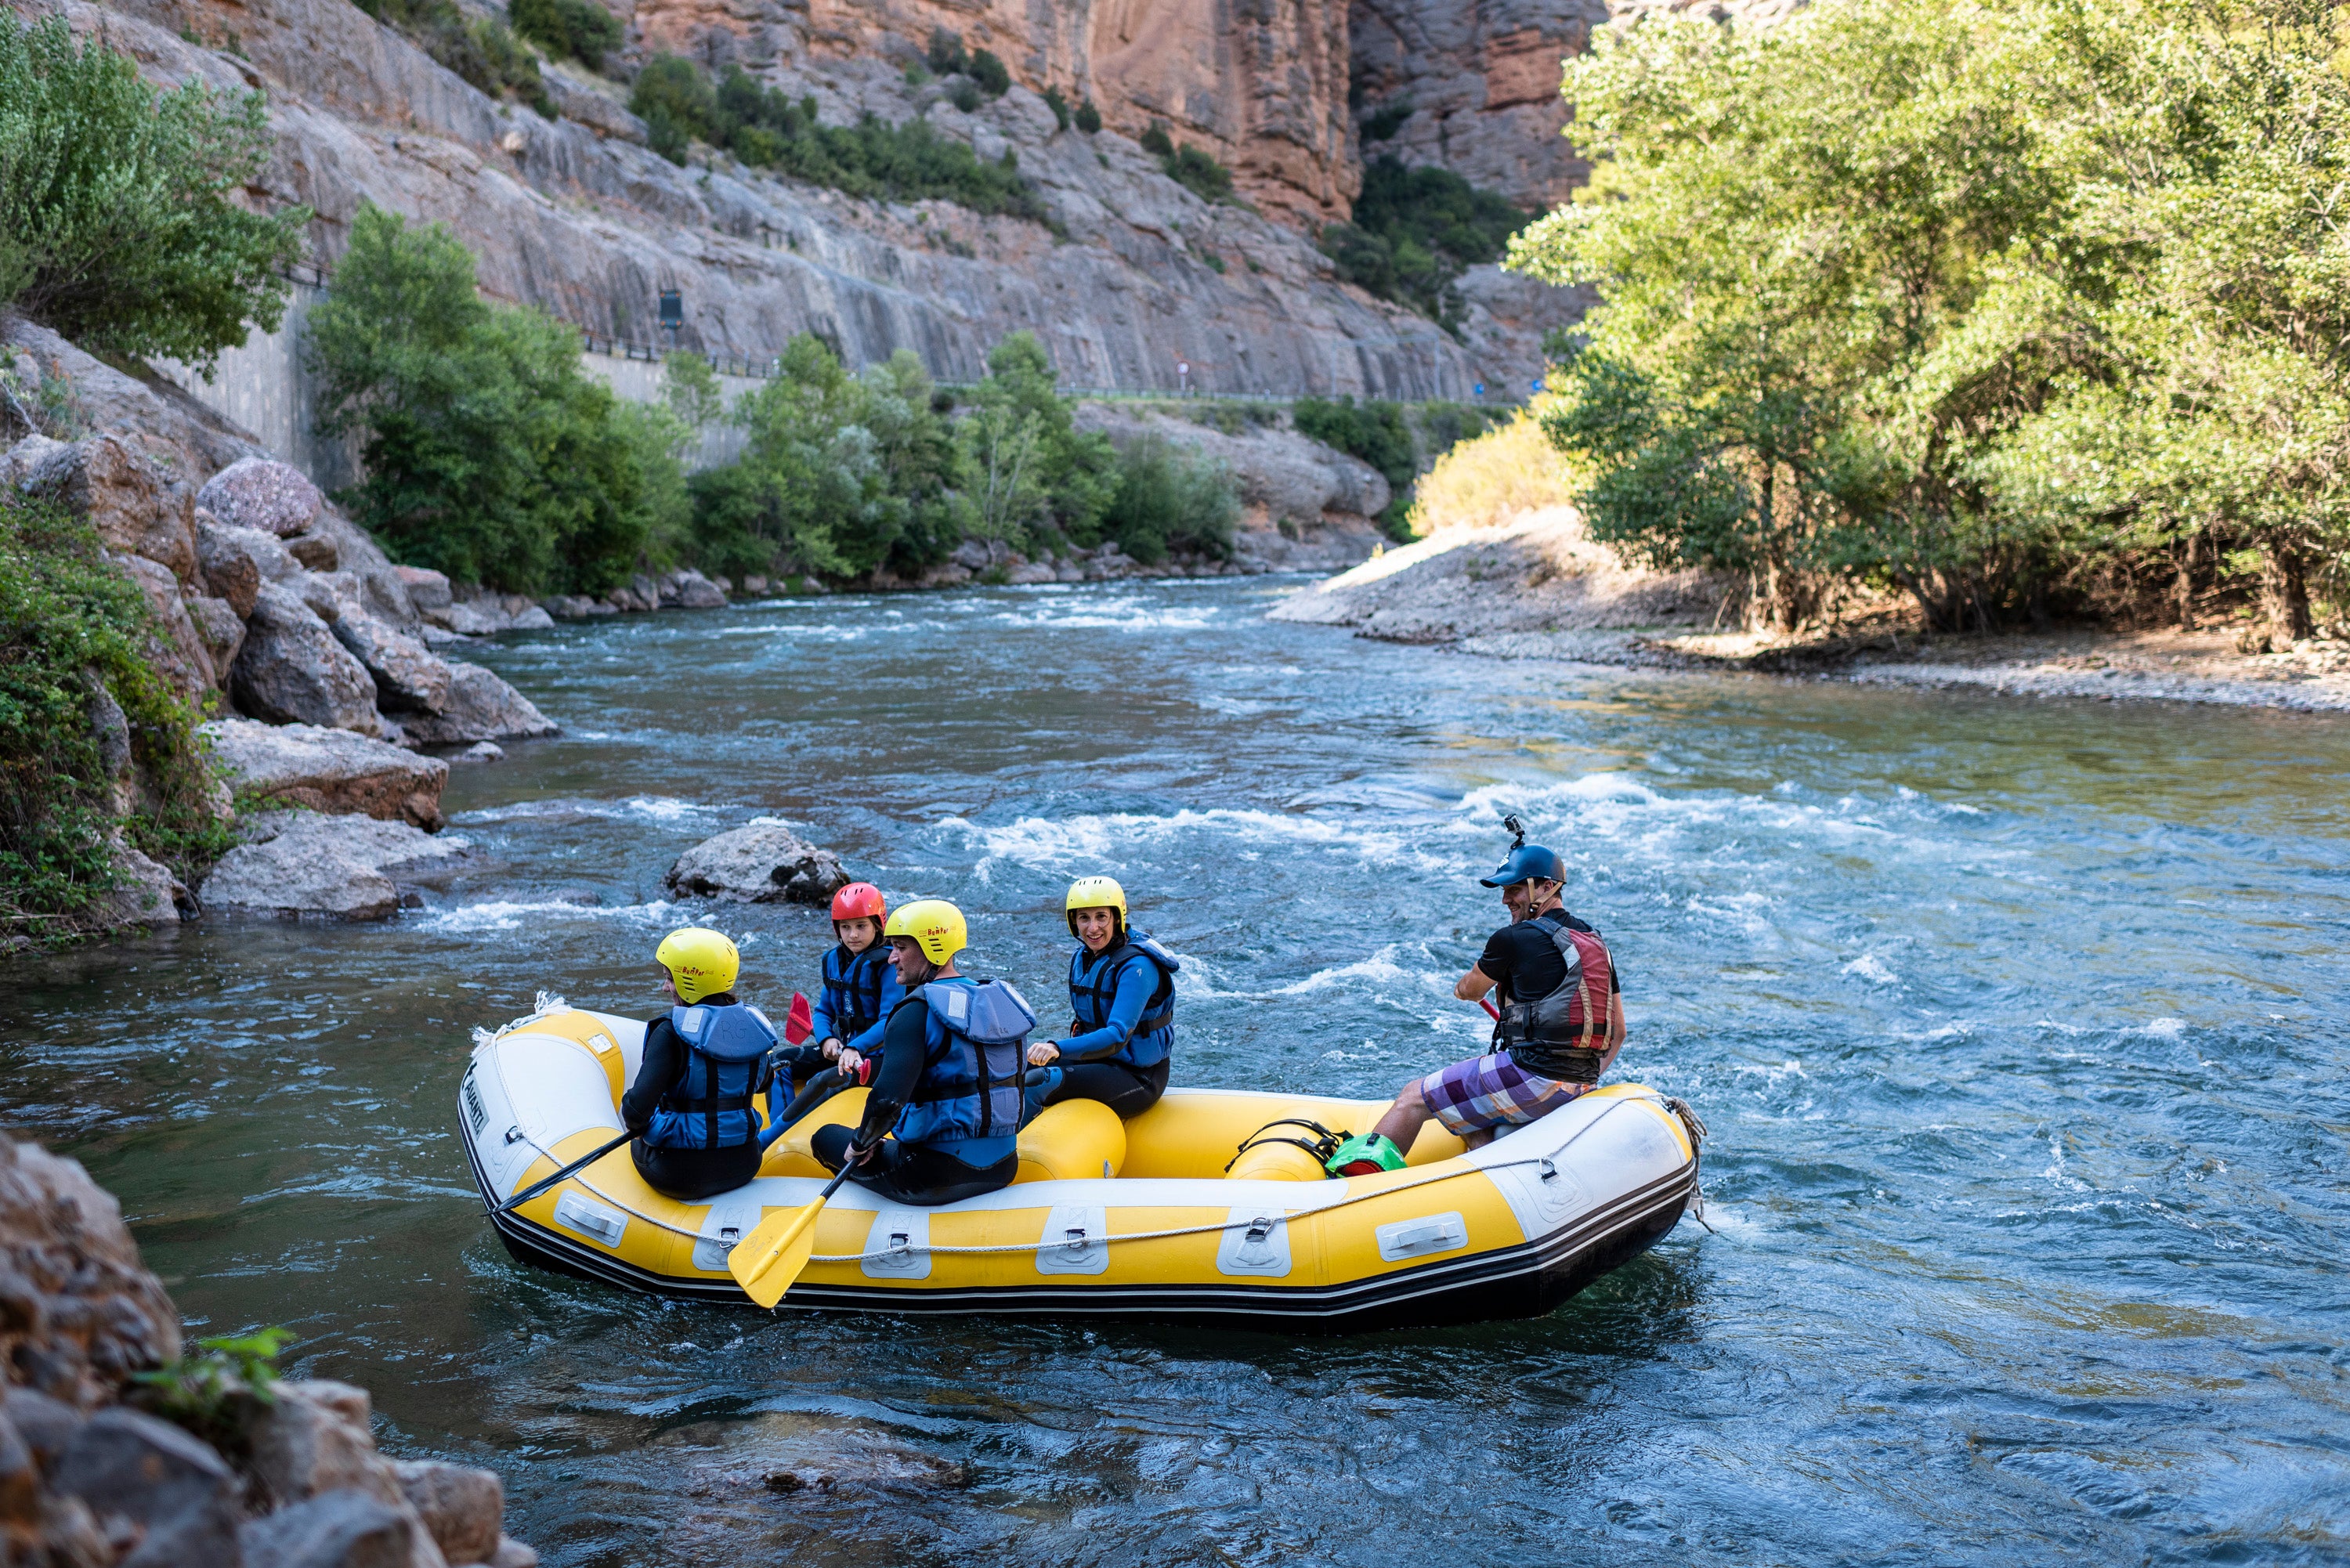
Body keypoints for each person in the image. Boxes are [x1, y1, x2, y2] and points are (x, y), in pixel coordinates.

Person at [1329, 841, 1625, 1176]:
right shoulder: (1597, 942)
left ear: (1547, 886)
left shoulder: (1514, 938)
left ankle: (1357, 1181)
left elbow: (1471, 989)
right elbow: (1619, 1034)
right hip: (1583, 1085)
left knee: (1413, 1097)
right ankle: (1492, 1179)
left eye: (1515, 888)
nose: (1505, 900)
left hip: (1535, 1076)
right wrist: (1575, 1082)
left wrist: (1465, 987)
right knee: (1469, 1115)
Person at [815, 898, 1026, 1205]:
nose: (891, 958)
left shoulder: (914, 1010)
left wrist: (861, 1143)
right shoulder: (994, 1000)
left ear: (932, 950)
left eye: (901, 947)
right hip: (1005, 1167)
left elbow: (886, 1101)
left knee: (825, 1137)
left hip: (936, 1175)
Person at [621, 927, 776, 1200]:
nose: (665, 987)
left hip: (680, 1173)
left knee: (637, 1141)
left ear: (689, 981)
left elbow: (635, 1112)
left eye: (669, 979)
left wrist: (642, 1125)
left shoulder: (670, 1032)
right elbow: (764, 1083)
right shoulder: (751, 1027)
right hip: (746, 1163)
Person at [1022, 876, 1178, 1120]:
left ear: (1117, 917)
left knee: (1037, 1081)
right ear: (1073, 921)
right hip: (1098, 1064)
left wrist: (1057, 1047)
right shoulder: (1084, 958)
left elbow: (1117, 1035)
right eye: (1084, 918)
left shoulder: (1137, 967)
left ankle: (1014, 1156)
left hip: (1138, 1077)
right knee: (1016, 1070)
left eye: (1101, 917)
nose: (1092, 928)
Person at [769, 883, 901, 1120]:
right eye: (845, 927)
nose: (852, 935)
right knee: (777, 1063)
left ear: (878, 925)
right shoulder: (833, 961)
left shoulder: (889, 965)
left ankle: (773, 1137)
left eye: (861, 926)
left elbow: (889, 1021)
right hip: (842, 1048)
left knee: (821, 1080)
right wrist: (826, 1038)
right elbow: (823, 1012)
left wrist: (854, 1047)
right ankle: (780, 1126)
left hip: (876, 1056)